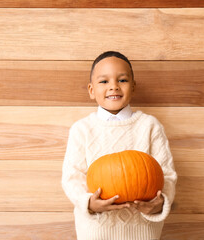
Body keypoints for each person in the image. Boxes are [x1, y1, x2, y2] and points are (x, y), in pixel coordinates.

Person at [61, 51, 177, 239]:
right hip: (96, 231)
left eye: (122, 80)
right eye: (104, 81)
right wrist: (89, 203)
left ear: (133, 87)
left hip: (143, 231)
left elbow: (167, 175)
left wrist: (159, 202)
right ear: (91, 90)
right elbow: (72, 177)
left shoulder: (149, 126)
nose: (113, 87)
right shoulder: (81, 129)